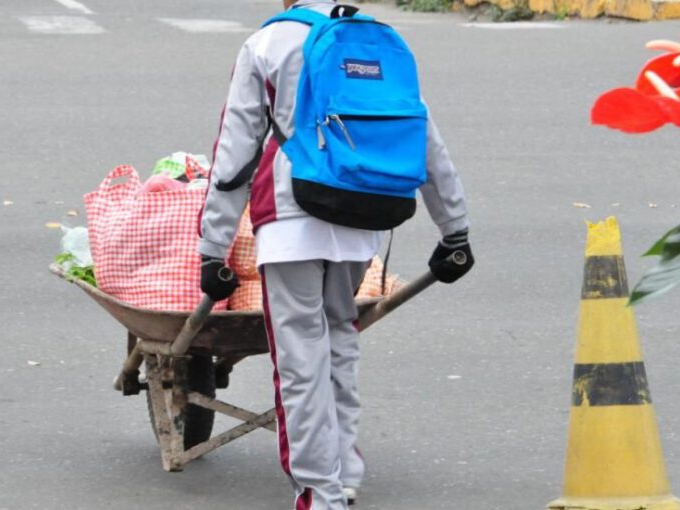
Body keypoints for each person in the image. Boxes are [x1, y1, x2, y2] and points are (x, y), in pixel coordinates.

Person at [197, 0, 473, 508]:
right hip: (360, 215)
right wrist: (454, 228)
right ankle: (344, 474)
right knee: (339, 340)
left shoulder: (268, 42)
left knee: (300, 358)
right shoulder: (374, 38)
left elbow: (234, 155)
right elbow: (424, 138)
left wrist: (212, 246)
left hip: (290, 217)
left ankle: (317, 493)